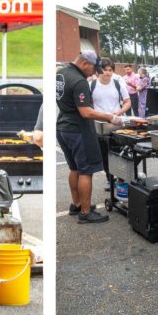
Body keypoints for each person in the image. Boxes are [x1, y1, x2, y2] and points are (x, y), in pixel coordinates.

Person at [56, 51, 130, 224]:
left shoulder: (60, 73)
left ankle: (77, 204)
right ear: (84, 63)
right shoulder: (80, 81)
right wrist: (110, 117)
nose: (94, 73)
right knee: (85, 171)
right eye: (93, 69)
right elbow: (85, 111)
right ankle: (86, 211)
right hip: (78, 129)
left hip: (62, 127)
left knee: (74, 168)